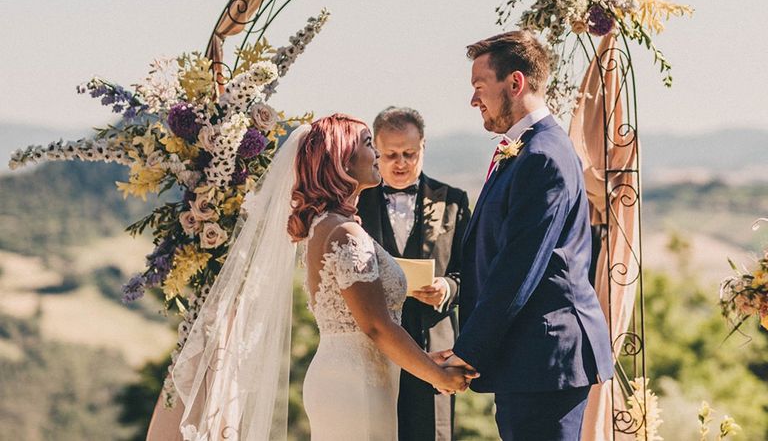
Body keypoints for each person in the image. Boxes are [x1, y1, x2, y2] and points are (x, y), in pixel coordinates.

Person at [169, 114, 476, 441]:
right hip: (355, 386)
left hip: (353, 378)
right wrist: (437, 376)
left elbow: (361, 326)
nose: (378, 157)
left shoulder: (326, 225)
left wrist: (425, 360)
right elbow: (376, 326)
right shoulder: (345, 233)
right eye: (369, 145)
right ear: (344, 159)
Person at [443, 31, 614, 441]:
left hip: (545, 359)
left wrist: (467, 353)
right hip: (529, 359)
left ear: (515, 83)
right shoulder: (530, 149)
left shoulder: (542, 156)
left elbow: (517, 269)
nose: (473, 100)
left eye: (479, 87)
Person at [357, 106, 470, 441]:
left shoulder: (454, 201)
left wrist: (446, 288)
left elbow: (474, 274)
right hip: (371, 349)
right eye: (390, 155)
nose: (401, 163)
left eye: (409, 153)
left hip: (435, 347)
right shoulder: (355, 203)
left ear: (424, 147)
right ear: (375, 151)